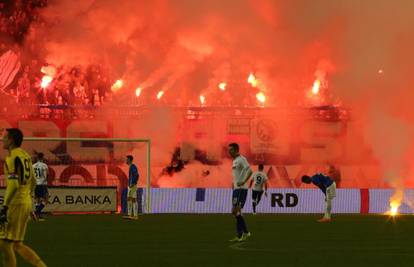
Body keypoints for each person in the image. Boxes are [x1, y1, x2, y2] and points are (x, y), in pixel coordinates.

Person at [0, 128, 47, 266]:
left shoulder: (11, 158)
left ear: (11, 140)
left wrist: (5, 206)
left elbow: (14, 184)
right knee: (17, 244)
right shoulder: (25, 155)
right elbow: (32, 181)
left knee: (5, 243)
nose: (2, 139)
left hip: (16, 203)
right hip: (24, 201)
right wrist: (30, 203)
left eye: (4, 137)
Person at [228, 143, 252, 242]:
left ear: (236, 150)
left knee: (236, 211)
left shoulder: (242, 159)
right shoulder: (234, 161)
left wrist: (244, 181)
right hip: (236, 189)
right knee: (237, 212)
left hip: (242, 189)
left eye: (231, 150)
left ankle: (240, 235)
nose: (229, 152)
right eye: (229, 150)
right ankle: (245, 233)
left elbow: (250, 171)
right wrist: (233, 183)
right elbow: (236, 174)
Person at [32, 152, 49, 221]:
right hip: (42, 184)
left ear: (37, 158)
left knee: (37, 199)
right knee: (46, 199)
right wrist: (45, 181)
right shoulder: (44, 165)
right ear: (42, 158)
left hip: (35, 184)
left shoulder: (33, 166)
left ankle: (38, 217)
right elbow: (47, 175)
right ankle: (36, 212)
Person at [123, 155, 139, 220]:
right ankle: (130, 214)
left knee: (134, 199)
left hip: (133, 186)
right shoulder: (131, 167)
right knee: (129, 199)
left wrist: (133, 183)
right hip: (130, 186)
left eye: (126, 159)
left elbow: (137, 175)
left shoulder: (133, 166)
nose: (126, 161)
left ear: (129, 159)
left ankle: (135, 215)